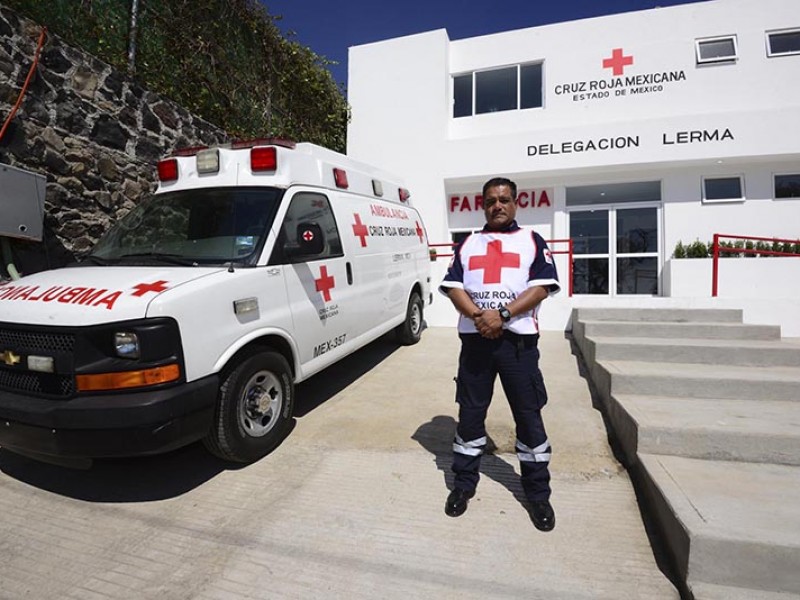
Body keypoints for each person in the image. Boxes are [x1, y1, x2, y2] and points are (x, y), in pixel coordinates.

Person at [439, 176, 560, 531]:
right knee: (470, 417)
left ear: (516, 203)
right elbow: (453, 287)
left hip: (517, 346)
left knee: (529, 416)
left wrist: (503, 315)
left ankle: (537, 493)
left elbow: (541, 287)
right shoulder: (468, 243)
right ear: (483, 205)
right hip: (476, 341)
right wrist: (479, 317)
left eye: (504, 199)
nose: (498, 206)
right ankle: (463, 485)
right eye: (491, 200)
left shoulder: (531, 240)